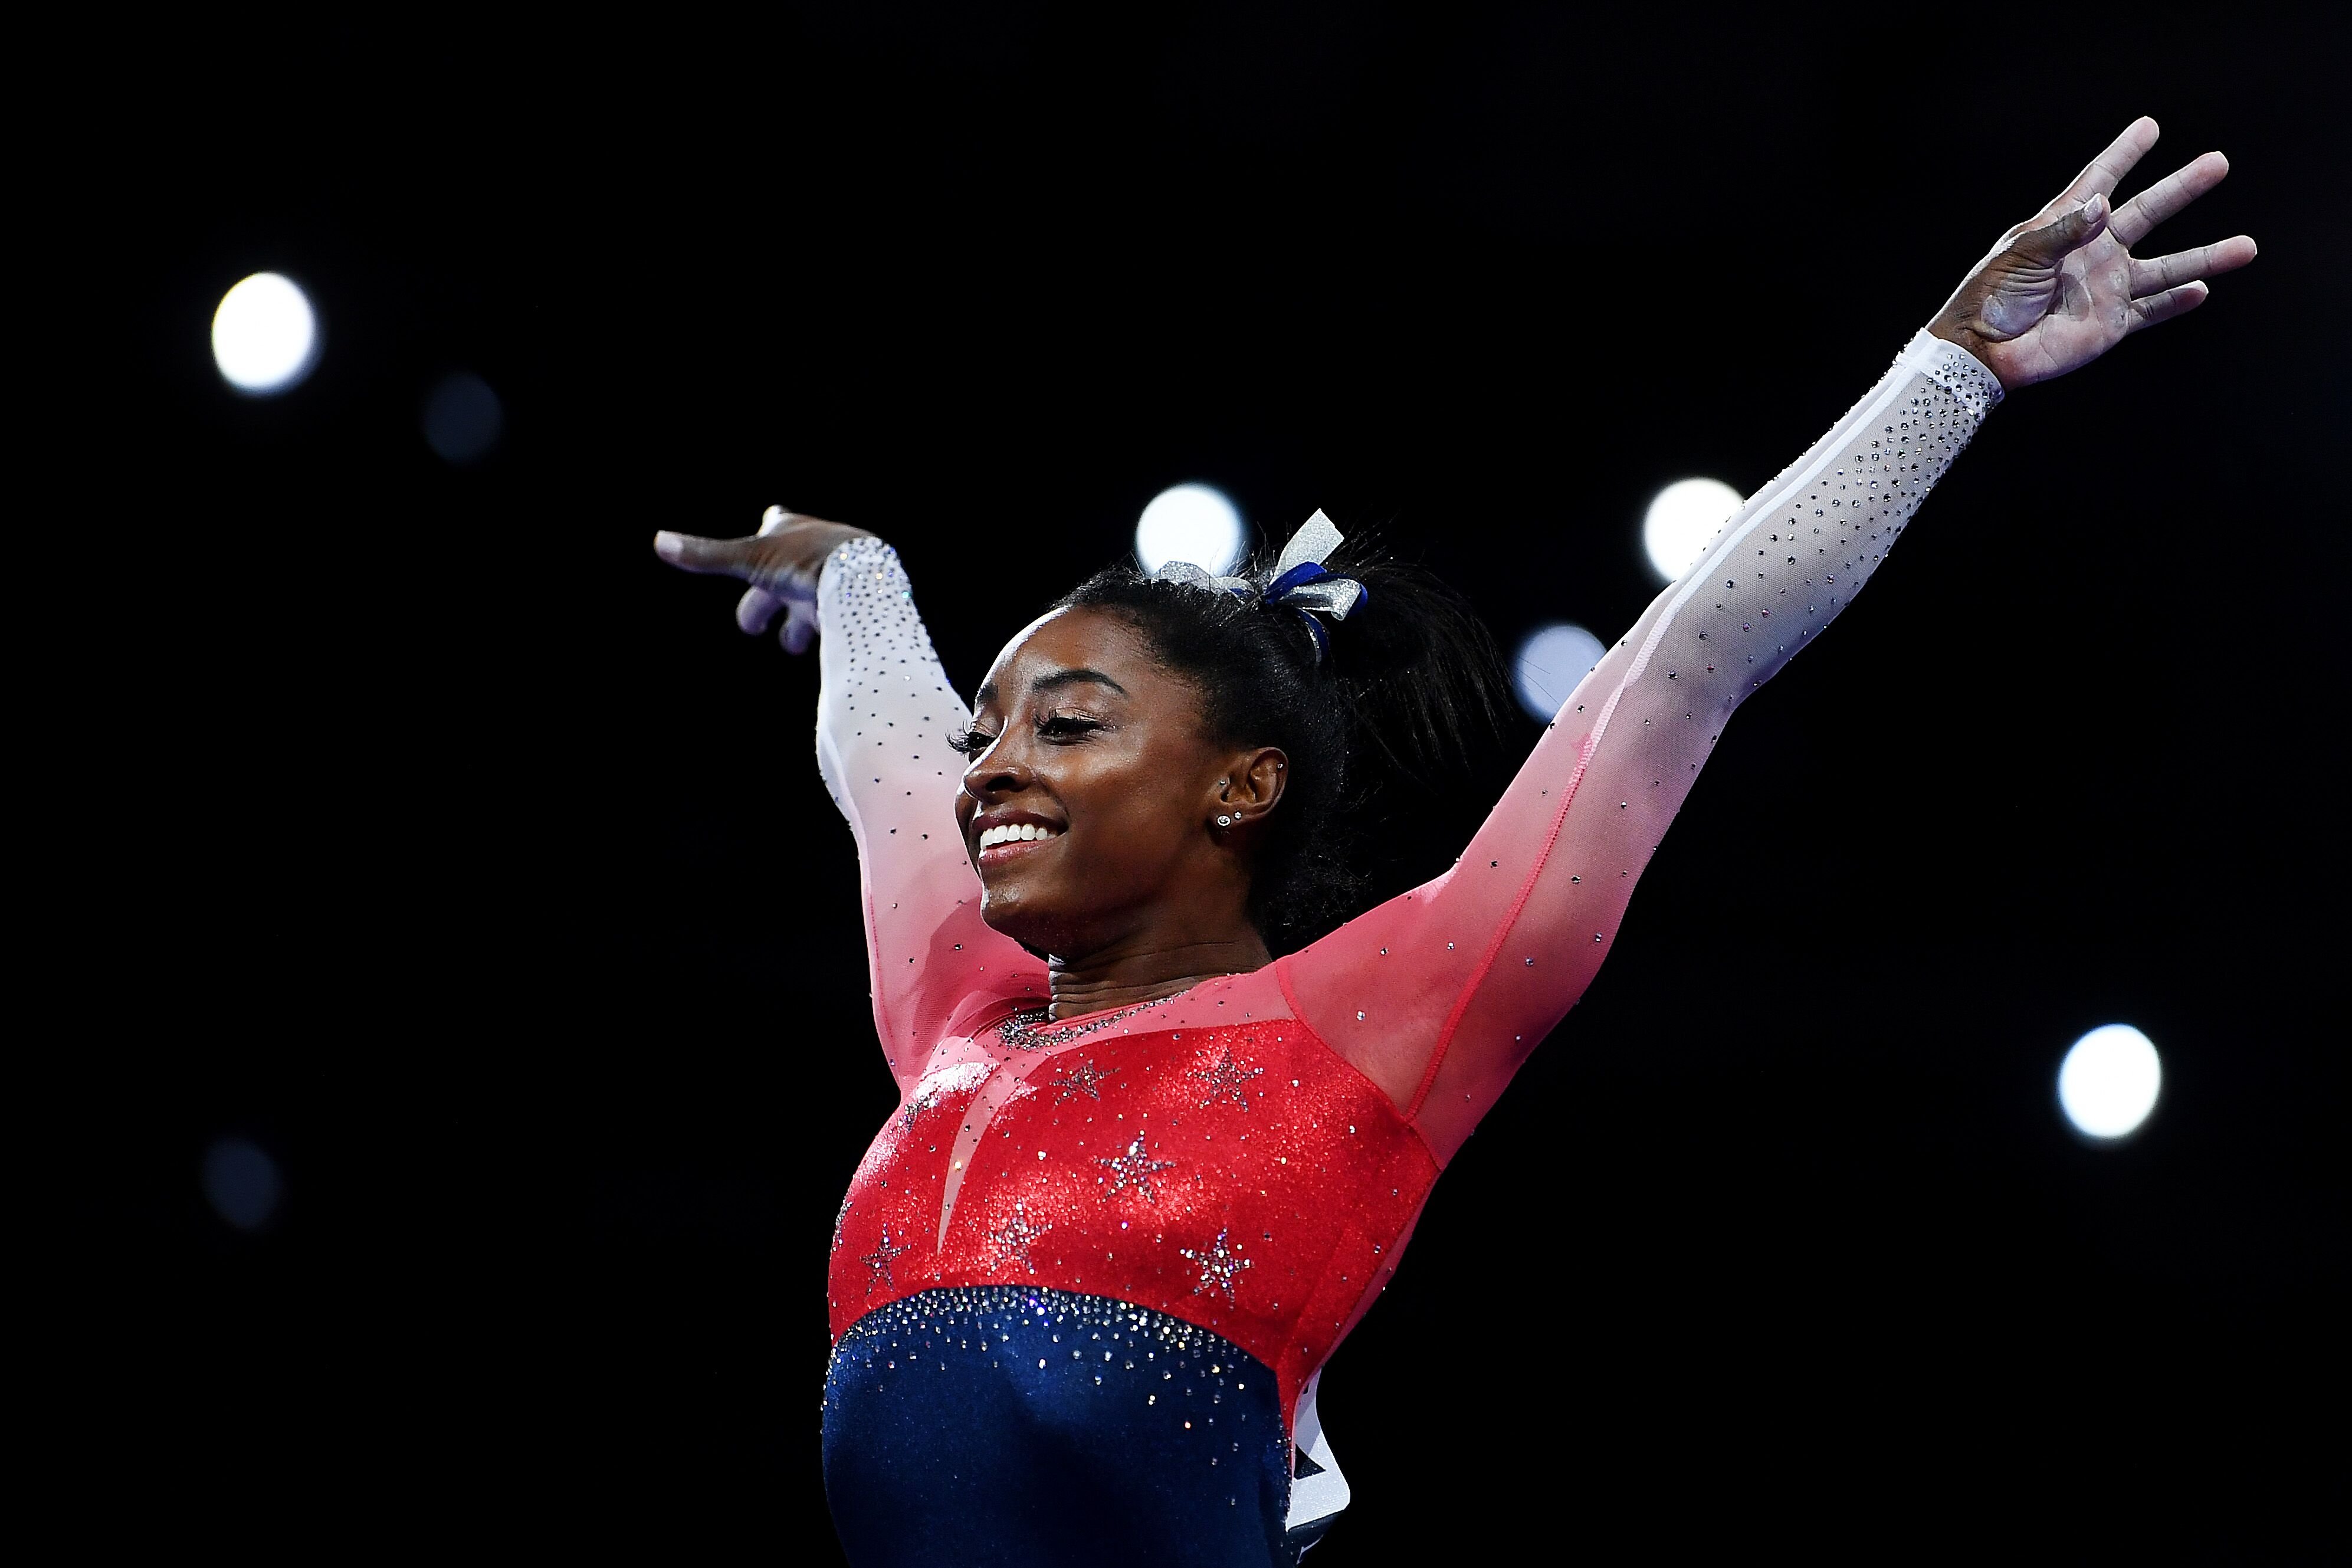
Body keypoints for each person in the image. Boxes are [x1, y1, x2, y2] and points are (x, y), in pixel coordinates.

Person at [652, 118, 2253, 1567]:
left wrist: (1949, 368)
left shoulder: (1370, 1025)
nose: (987, 770)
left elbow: (1677, 666)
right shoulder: (955, 1020)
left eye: (1066, 724)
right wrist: (857, 576)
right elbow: (880, 750)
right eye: (989, 732)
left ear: (1240, 785)